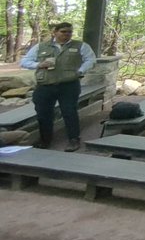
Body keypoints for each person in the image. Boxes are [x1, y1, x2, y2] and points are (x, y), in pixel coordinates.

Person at [20, 22, 95, 152]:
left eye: (69, 32)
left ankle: (73, 139)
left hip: (69, 85)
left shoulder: (80, 46)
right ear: (55, 32)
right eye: (63, 32)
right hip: (45, 85)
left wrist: (81, 71)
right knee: (43, 114)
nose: (67, 34)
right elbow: (25, 62)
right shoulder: (41, 46)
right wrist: (39, 64)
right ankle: (45, 140)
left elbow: (90, 60)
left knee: (69, 112)